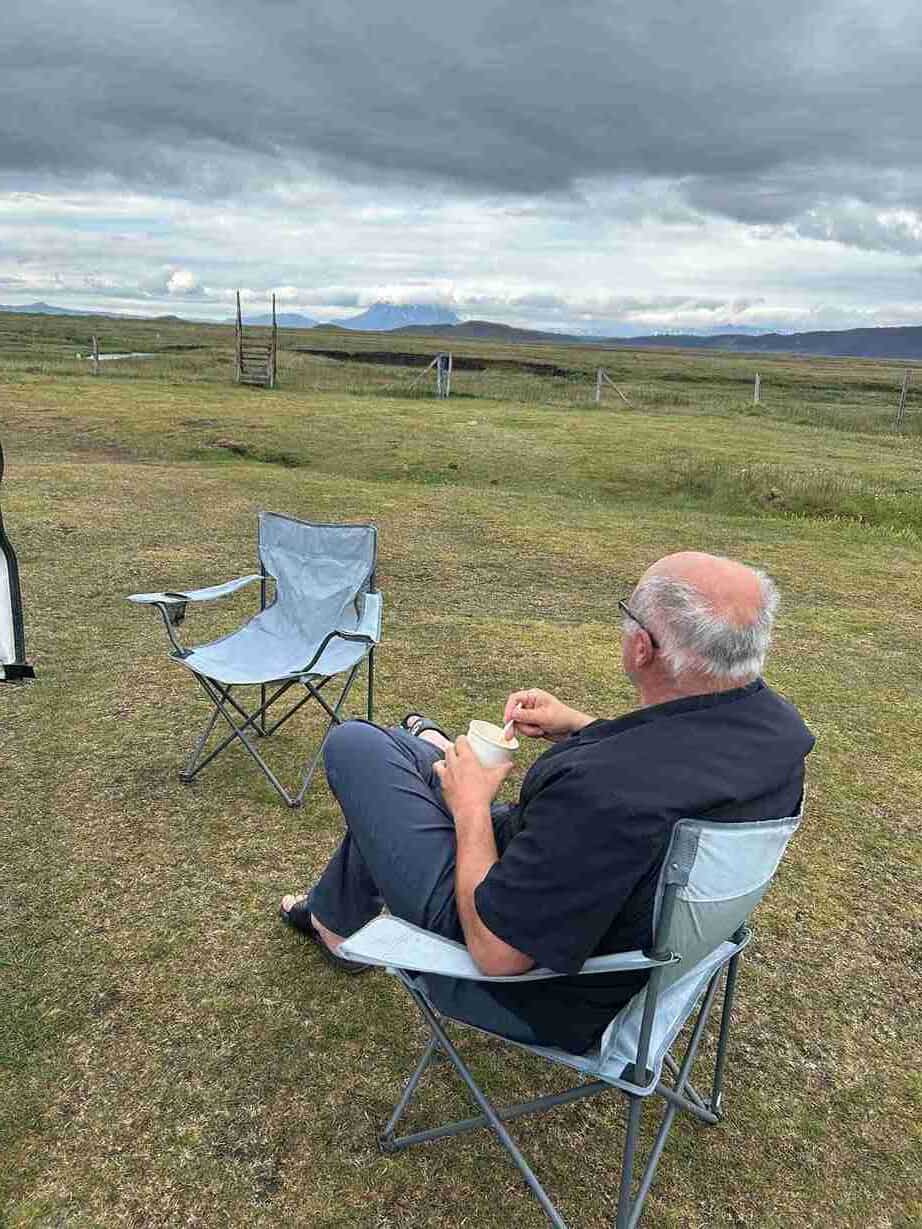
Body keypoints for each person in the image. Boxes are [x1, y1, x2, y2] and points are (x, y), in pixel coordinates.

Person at [280, 551, 814, 1054]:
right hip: (621, 935)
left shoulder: (603, 793)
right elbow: (682, 762)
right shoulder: (778, 735)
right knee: (402, 766)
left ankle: (351, 891)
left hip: (536, 990)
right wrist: (580, 728)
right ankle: (335, 915)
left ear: (642, 648)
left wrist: (470, 807)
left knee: (358, 746)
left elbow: (497, 955)